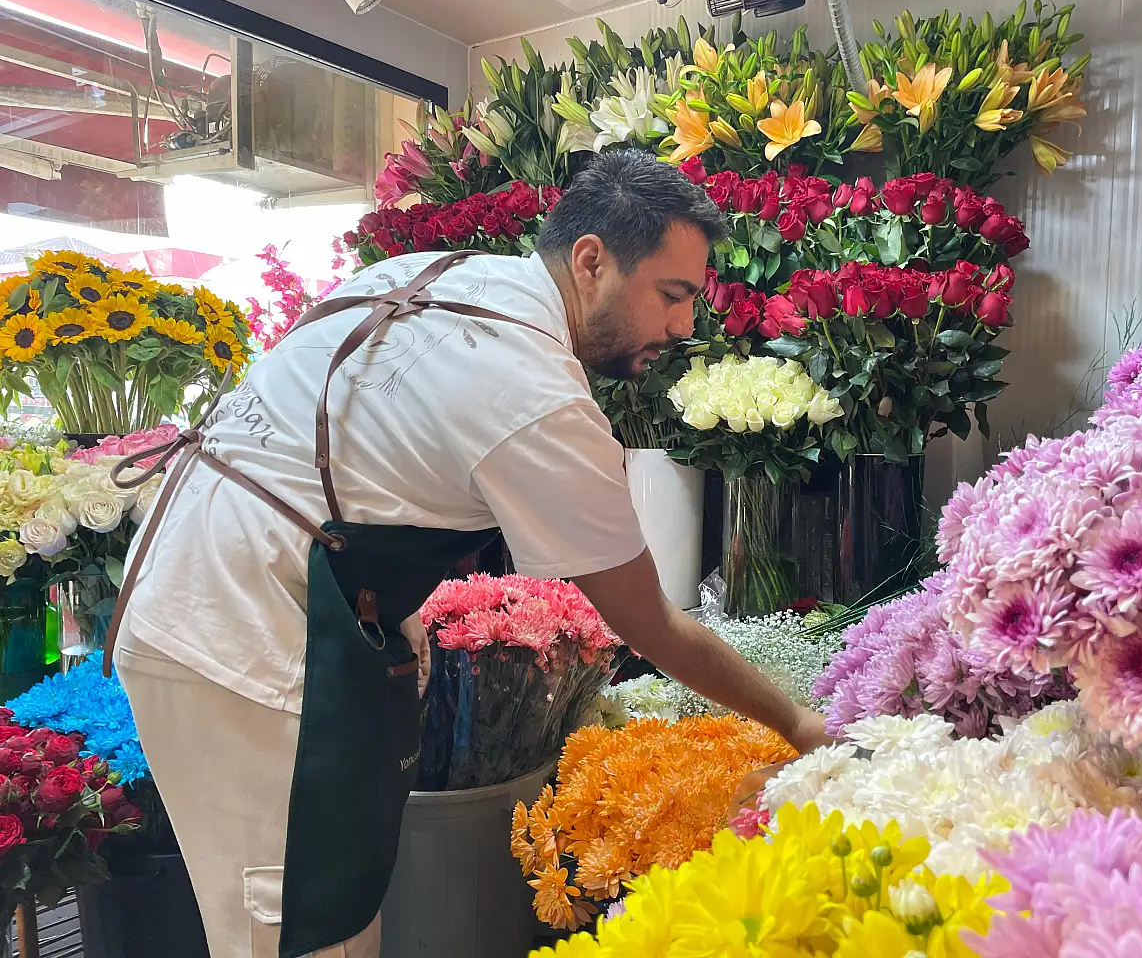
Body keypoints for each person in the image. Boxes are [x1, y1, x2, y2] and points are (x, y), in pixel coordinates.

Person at [108, 148, 830, 958]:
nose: (685, 327)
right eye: (673, 295)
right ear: (591, 261)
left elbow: (364, 454)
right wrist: (800, 722)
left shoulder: (450, 272)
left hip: (216, 579)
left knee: (329, 907)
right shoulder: (535, 389)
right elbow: (650, 623)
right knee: (288, 920)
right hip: (237, 622)